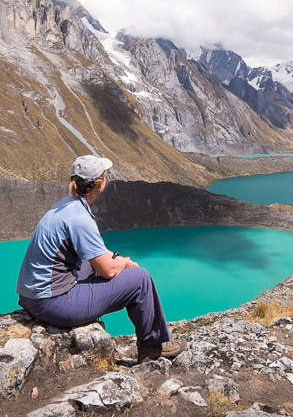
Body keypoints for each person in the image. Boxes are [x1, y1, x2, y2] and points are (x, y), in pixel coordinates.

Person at [16, 154, 182, 363]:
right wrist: (123, 262)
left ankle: (151, 340)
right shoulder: (80, 219)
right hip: (53, 303)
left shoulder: (65, 206)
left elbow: (93, 254)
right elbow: (109, 271)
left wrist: (114, 257)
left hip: (31, 298)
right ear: (100, 184)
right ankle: (152, 346)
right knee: (140, 279)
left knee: (95, 263)